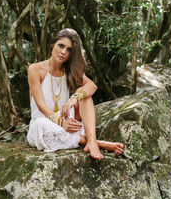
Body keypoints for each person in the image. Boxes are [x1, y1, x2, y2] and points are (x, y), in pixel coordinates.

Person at [27, 28, 124, 160]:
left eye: (69, 50)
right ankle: (95, 143)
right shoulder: (35, 69)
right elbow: (40, 105)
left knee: (85, 97)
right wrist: (61, 123)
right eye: (61, 46)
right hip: (44, 123)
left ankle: (91, 141)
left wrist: (73, 99)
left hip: (65, 122)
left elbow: (91, 86)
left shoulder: (69, 70)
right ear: (52, 44)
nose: (63, 52)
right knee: (40, 124)